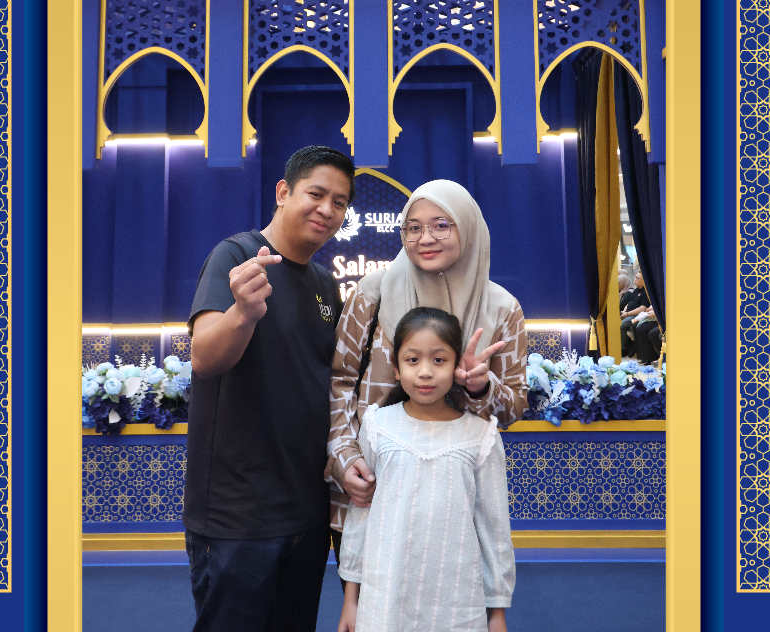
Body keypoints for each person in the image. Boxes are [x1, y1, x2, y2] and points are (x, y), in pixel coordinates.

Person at [183, 145, 355, 632]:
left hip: (306, 514)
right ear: (283, 192)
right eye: (316, 194)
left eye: (339, 202)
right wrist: (242, 314)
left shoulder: (326, 284)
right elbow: (204, 358)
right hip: (238, 516)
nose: (327, 210)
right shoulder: (236, 256)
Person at [327, 178, 528, 535]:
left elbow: (513, 409)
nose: (425, 238)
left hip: (452, 499)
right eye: (414, 228)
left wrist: (481, 388)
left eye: (441, 225)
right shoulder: (373, 292)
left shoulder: (501, 309)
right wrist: (345, 456)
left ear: (467, 227)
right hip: (371, 489)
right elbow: (340, 381)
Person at [336, 307, 515, 632]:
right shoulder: (378, 426)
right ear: (396, 367)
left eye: (439, 360)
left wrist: (497, 613)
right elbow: (361, 514)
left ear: (457, 366)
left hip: (457, 602)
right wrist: (351, 599)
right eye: (413, 359)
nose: (425, 372)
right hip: (384, 598)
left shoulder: (481, 436)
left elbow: (494, 529)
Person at [619, 269, 651, 359]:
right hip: (628, 314)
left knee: (622, 324)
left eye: (638, 278)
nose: (635, 280)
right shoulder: (637, 290)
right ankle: (629, 345)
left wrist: (627, 314)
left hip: (638, 316)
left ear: (644, 281)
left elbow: (643, 308)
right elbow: (629, 303)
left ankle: (624, 349)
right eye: (635, 277)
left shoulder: (646, 292)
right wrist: (624, 312)